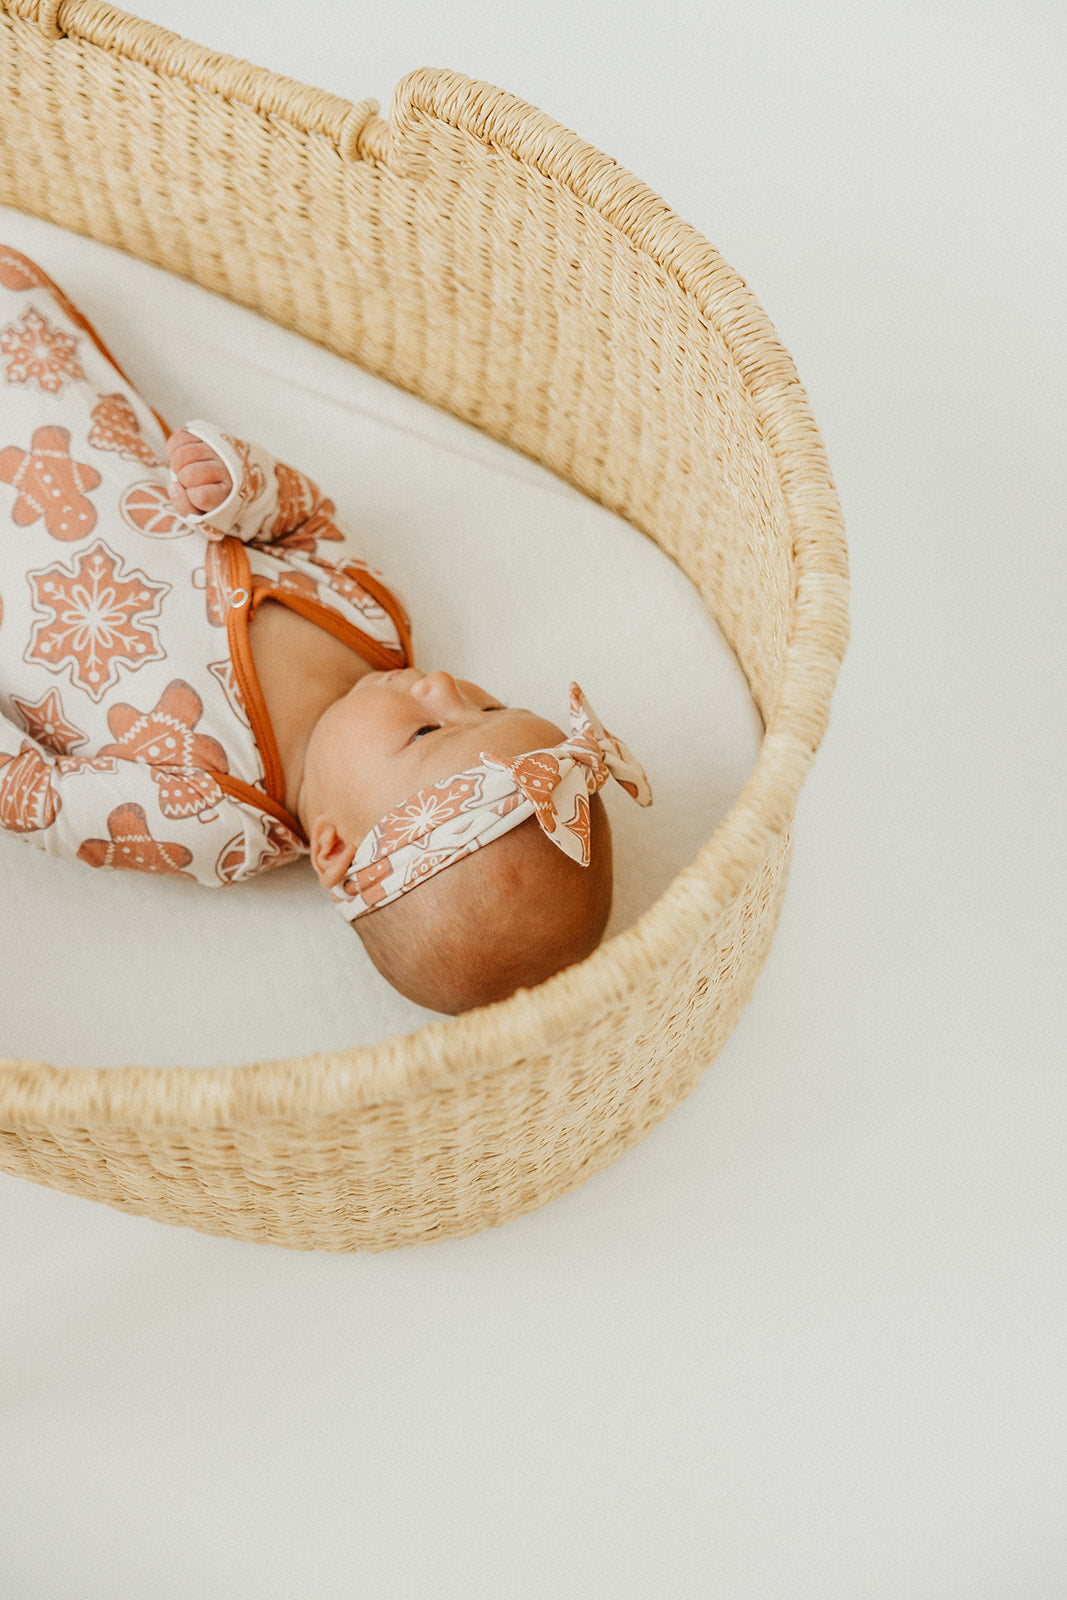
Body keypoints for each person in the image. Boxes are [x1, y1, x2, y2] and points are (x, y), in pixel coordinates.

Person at [0, 245, 651, 1013]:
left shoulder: (216, 821)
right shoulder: (373, 624)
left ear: (336, 846)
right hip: (57, 427)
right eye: (487, 706)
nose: (442, 686)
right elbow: (303, 522)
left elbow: (37, 796)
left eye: (425, 733)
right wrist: (235, 486)